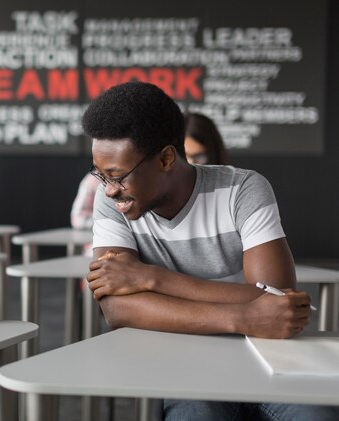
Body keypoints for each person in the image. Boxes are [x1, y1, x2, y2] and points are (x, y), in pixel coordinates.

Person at [82, 81, 339, 420]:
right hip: (183, 367)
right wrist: (245, 316)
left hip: (270, 360)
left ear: (166, 159)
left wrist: (154, 279)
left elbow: (278, 302)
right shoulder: (110, 201)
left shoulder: (242, 189)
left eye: (117, 176)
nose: (110, 190)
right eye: (101, 176)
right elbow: (118, 309)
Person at [70, 110, 228, 253]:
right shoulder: (107, 193)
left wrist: (148, 276)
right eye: (184, 156)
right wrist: (110, 223)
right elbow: (111, 277)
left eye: (199, 156)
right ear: (169, 158)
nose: (110, 190)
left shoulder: (234, 191)